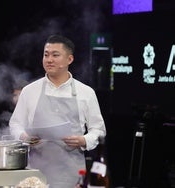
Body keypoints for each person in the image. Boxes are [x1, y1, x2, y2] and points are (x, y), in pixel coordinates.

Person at [9, 34, 106, 188]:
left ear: (69, 59)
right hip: (34, 173)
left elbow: (99, 130)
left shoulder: (86, 92)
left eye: (55, 55)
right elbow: (15, 124)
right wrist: (24, 136)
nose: (49, 59)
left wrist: (84, 140)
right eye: (46, 55)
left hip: (71, 173)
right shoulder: (30, 91)